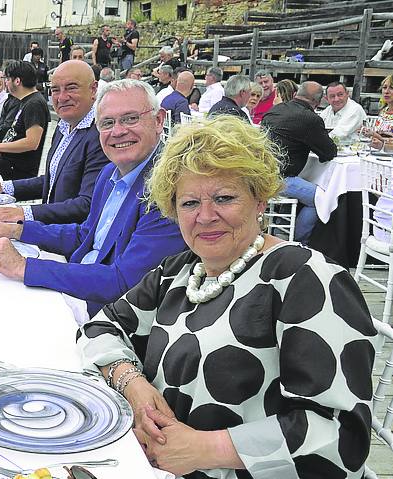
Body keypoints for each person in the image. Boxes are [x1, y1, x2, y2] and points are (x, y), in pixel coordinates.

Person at [80, 115, 375, 479]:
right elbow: (100, 328)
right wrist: (134, 386)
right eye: (189, 203)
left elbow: (340, 439)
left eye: (224, 198)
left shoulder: (305, 278)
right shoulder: (180, 271)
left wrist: (205, 449)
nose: (205, 216)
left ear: (260, 200)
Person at [0, 80, 186, 324]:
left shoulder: (167, 188)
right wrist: (19, 230)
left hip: (104, 318)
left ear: (159, 120)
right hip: (75, 288)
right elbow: (85, 236)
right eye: (107, 123)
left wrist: (24, 267)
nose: (118, 131)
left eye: (130, 119)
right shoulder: (109, 173)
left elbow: (124, 282)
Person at [0, 60, 111, 225]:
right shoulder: (64, 125)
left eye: (71, 88)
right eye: (55, 90)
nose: (62, 97)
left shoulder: (101, 134)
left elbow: (87, 205)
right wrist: (4, 187)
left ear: (93, 89)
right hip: (49, 229)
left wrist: (24, 213)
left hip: (69, 240)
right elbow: (53, 181)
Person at [261, 81, 337, 244]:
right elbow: (329, 153)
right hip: (280, 179)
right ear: (317, 102)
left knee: (302, 190)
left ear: (296, 94)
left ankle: (280, 232)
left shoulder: (275, 110)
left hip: (260, 173)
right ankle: (299, 242)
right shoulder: (310, 119)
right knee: (321, 198)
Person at [0, 60, 50, 180]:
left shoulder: (34, 104)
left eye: (7, 79)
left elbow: (32, 143)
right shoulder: (24, 101)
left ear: (17, 81)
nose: (6, 84)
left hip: (16, 170)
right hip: (7, 162)